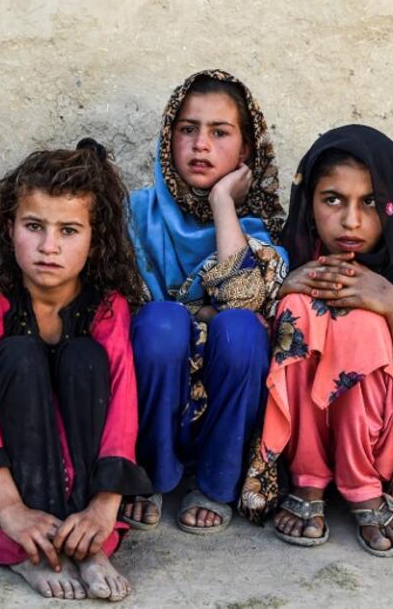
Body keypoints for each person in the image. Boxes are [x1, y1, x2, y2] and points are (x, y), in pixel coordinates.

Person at [0, 140, 153, 601]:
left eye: (68, 230)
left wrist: (104, 510)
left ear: (94, 237)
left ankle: (88, 543)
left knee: (85, 358)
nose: (49, 247)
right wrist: (9, 509)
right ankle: (26, 549)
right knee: (20, 354)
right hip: (10, 478)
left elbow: (122, 405)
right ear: (9, 229)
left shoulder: (107, 307)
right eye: (34, 226)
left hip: (84, 481)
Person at [239, 125, 393, 556]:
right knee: (299, 306)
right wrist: (280, 289)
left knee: (364, 322)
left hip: (382, 449)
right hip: (295, 440)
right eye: (333, 199)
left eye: (370, 202)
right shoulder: (285, 260)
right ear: (309, 202)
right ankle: (308, 481)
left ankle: (362, 485)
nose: (351, 220)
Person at [122, 69, 288, 535]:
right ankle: (149, 475)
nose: (201, 145)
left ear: (246, 150)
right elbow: (125, 305)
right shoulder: (133, 214)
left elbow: (240, 303)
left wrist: (222, 204)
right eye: (188, 129)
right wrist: (195, 313)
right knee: (160, 324)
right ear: (168, 136)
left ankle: (217, 483)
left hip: (225, 408)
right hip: (149, 399)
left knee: (241, 332)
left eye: (220, 133)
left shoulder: (259, 229)